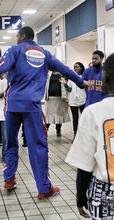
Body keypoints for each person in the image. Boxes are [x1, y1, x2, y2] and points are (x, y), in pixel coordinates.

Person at [0, 26, 87, 199]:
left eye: (17, 35)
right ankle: (44, 188)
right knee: (38, 146)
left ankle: (9, 179)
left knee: (10, 143)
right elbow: (65, 69)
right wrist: (80, 82)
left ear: (23, 36)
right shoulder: (44, 53)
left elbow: (0, 66)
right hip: (32, 106)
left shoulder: (15, 50)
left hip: (12, 105)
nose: (16, 38)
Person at [65, 53, 114, 219]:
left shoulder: (93, 113)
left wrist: (80, 197)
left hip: (105, 191)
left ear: (105, 77)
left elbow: (84, 164)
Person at [62, 62, 86, 139]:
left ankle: (85, 136)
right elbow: (69, 89)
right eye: (74, 67)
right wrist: (65, 84)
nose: (75, 68)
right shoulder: (71, 78)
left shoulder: (84, 77)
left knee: (85, 119)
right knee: (75, 120)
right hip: (73, 101)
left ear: (81, 68)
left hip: (83, 101)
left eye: (77, 67)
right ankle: (75, 136)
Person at [45, 71, 70, 137]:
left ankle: (58, 130)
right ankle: (45, 131)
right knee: (49, 116)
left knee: (59, 115)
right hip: (50, 97)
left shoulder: (62, 74)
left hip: (60, 97)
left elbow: (67, 83)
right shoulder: (48, 73)